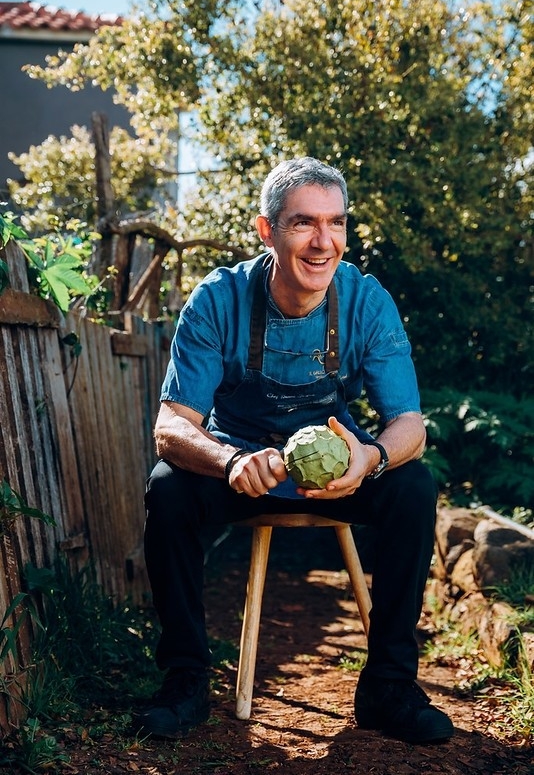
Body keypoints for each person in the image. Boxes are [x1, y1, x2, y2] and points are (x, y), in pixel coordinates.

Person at [135, 157, 454, 744]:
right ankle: (184, 680)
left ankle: (388, 686)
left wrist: (371, 460)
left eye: (336, 223)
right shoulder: (218, 300)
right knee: (168, 487)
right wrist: (231, 462)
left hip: (341, 469)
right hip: (242, 468)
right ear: (267, 230)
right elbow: (170, 427)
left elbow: (410, 423)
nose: (323, 241)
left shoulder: (367, 303)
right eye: (304, 223)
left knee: (413, 484)